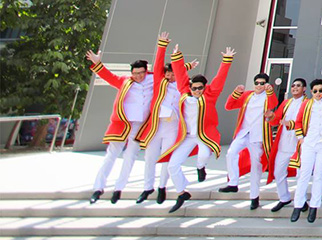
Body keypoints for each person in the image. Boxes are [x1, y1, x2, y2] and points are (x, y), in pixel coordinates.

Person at [166, 45, 234, 213]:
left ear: (205, 87)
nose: (197, 91)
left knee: (203, 154)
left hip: (204, 135)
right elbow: (180, 74)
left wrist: (226, 60)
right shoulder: (184, 92)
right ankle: (181, 192)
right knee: (172, 165)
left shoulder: (210, 94)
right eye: (194, 88)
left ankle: (200, 167)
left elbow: (220, 78)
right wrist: (177, 57)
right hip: (187, 136)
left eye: (200, 88)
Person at [84, 46, 154, 204]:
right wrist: (98, 63)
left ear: (146, 71)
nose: (138, 76)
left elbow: (168, 73)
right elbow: (108, 77)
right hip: (122, 124)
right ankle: (98, 188)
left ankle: (118, 188)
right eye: (135, 73)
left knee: (130, 156)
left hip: (140, 126)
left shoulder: (153, 80)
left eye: (141, 73)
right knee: (111, 155)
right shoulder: (125, 81)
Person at [134, 33, 193, 205]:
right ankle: (147, 187)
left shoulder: (184, 86)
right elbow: (158, 63)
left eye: (173, 74)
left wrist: (181, 61)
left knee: (167, 158)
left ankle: (162, 187)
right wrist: (162, 45)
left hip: (173, 126)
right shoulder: (160, 82)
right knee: (150, 157)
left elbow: (182, 72)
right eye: (168, 74)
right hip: (157, 125)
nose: (170, 77)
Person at [221, 72, 278, 209]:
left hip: (258, 136)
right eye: (257, 83)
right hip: (243, 133)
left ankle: (254, 197)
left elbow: (273, 103)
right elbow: (229, 106)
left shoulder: (267, 96)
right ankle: (233, 183)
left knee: (256, 167)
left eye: (262, 83)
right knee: (231, 153)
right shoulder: (248, 95)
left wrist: (270, 91)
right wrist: (236, 93)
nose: (259, 85)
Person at [290, 79, 322, 223]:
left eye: (320, 91)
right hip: (309, 142)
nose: (318, 93)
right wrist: (301, 137)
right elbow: (298, 121)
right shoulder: (307, 104)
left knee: (319, 175)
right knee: (304, 174)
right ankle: (298, 205)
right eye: (315, 91)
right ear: (311, 92)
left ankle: (314, 206)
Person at [266, 78, 307, 213]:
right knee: (278, 172)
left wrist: (292, 124)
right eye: (293, 85)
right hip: (283, 144)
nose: (295, 88)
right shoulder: (286, 103)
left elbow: (309, 123)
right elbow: (276, 120)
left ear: (304, 89)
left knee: (301, 175)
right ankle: (284, 198)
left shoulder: (308, 103)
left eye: (298, 86)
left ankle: (301, 200)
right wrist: (271, 117)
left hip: (299, 145)